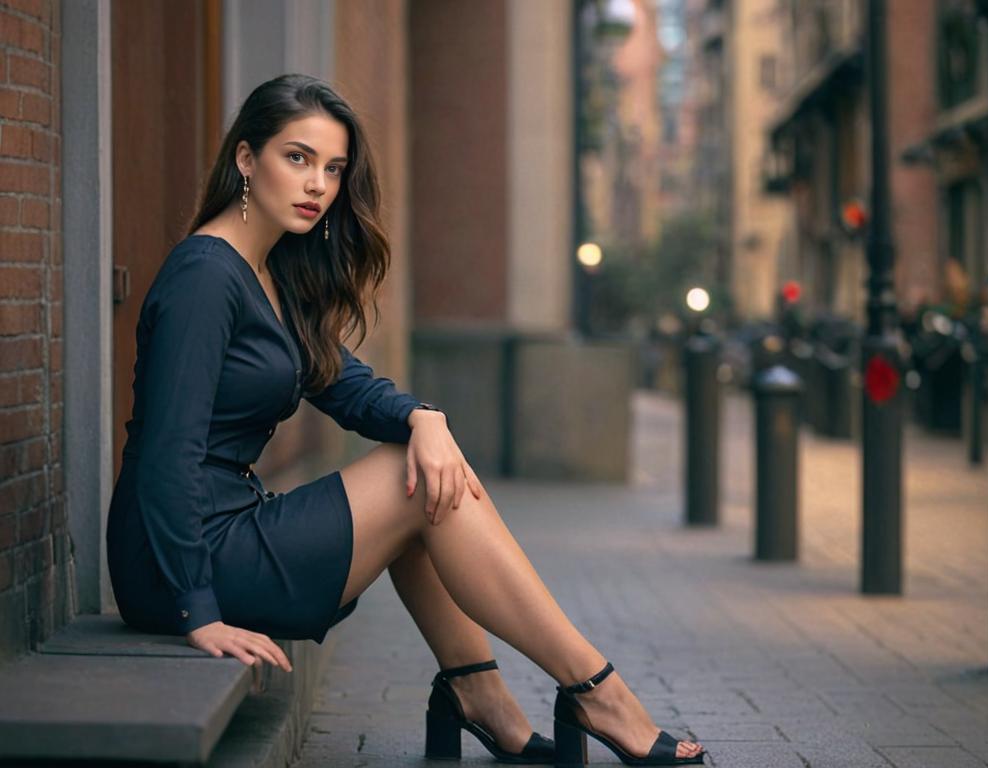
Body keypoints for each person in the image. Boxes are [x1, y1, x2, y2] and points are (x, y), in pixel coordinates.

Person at [105, 73, 706, 767]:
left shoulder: (270, 273)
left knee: (422, 466)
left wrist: (426, 417)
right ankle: (594, 690)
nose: (318, 185)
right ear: (246, 159)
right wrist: (196, 612)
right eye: (297, 158)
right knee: (409, 476)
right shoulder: (206, 275)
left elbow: (345, 384)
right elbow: (164, 455)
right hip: (182, 560)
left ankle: (480, 696)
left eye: (332, 169)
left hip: (225, 529)